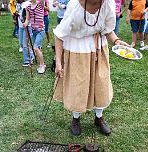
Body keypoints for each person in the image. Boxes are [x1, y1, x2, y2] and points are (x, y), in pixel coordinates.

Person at [53, 0, 129, 136]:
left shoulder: (108, 4)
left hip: (99, 48)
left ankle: (99, 118)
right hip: (77, 50)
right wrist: (58, 62)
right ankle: (75, 119)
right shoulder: (75, 6)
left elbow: (108, 29)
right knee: (78, 85)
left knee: (101, 83)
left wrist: (116, 40)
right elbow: (59, 35)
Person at [23, 0, 46, 74]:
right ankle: (41, 64)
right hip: (33, 31)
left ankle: (42, 65)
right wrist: (25, 23)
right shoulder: (28, 7)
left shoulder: (40, 4)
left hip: (40, 30)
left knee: (36, 48)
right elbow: (27, 19)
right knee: (36, 48)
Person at [17, 0, 35, 66]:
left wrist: (27, 22)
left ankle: (28, 60)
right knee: (21, 43)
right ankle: (32, 55)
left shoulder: (27, 4)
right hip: (20, 26)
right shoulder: (18, 4)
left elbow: (30, 15)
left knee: (25, 44)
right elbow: (19, 14)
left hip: (27, 26)